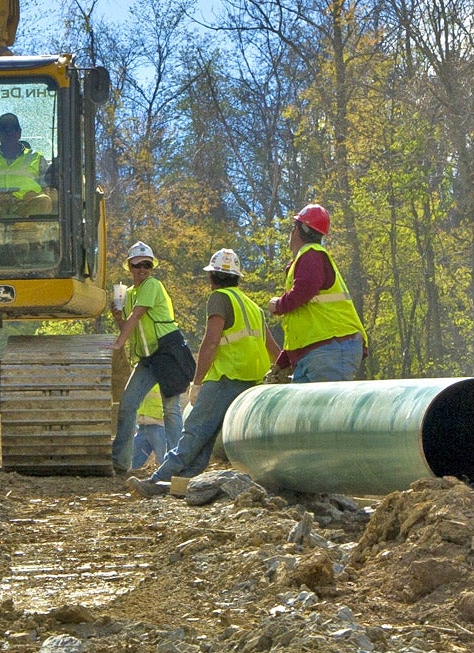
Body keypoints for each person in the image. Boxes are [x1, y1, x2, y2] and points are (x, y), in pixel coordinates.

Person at [134, 248, 279, 494]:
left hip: (226, 376)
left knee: (194, 430)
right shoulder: (253, 306)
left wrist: (197, 381)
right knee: (206, 435)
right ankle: (183, 482)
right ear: (237, 277)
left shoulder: (219, 298)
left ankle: (158, 480)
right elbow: (272, 347)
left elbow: (210, 342)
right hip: (253, 381)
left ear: (212, 277)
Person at [269, 203, 366, 381]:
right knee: (304, 409)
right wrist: (282, 363)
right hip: (322, 350)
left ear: (296, 231)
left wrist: (278, 305)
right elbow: (303, 324)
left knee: (328, 409)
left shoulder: (311, 255)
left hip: (331, 348)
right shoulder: (306, 260)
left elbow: (305, 290)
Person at [111, 242, 186, 472]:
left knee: (171, 410)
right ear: (130, 267)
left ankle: (177, 464)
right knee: (127, 405)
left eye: (147, 264)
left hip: (166, 355)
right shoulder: (130, 294)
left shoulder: (153, 285)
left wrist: (117, 344)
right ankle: (120, 463)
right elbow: (129, 324)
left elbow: (136, 317)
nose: (143, 269)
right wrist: (116, 316)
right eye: (138, 264)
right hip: (147, 360)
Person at [0, 112, 49, 199]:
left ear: (19, 133)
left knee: (44, 200)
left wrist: (32, 197)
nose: (9, 134)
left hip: (28, 204)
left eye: (13, 129)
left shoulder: (37, 158)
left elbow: (48, 189)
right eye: (5, 130)